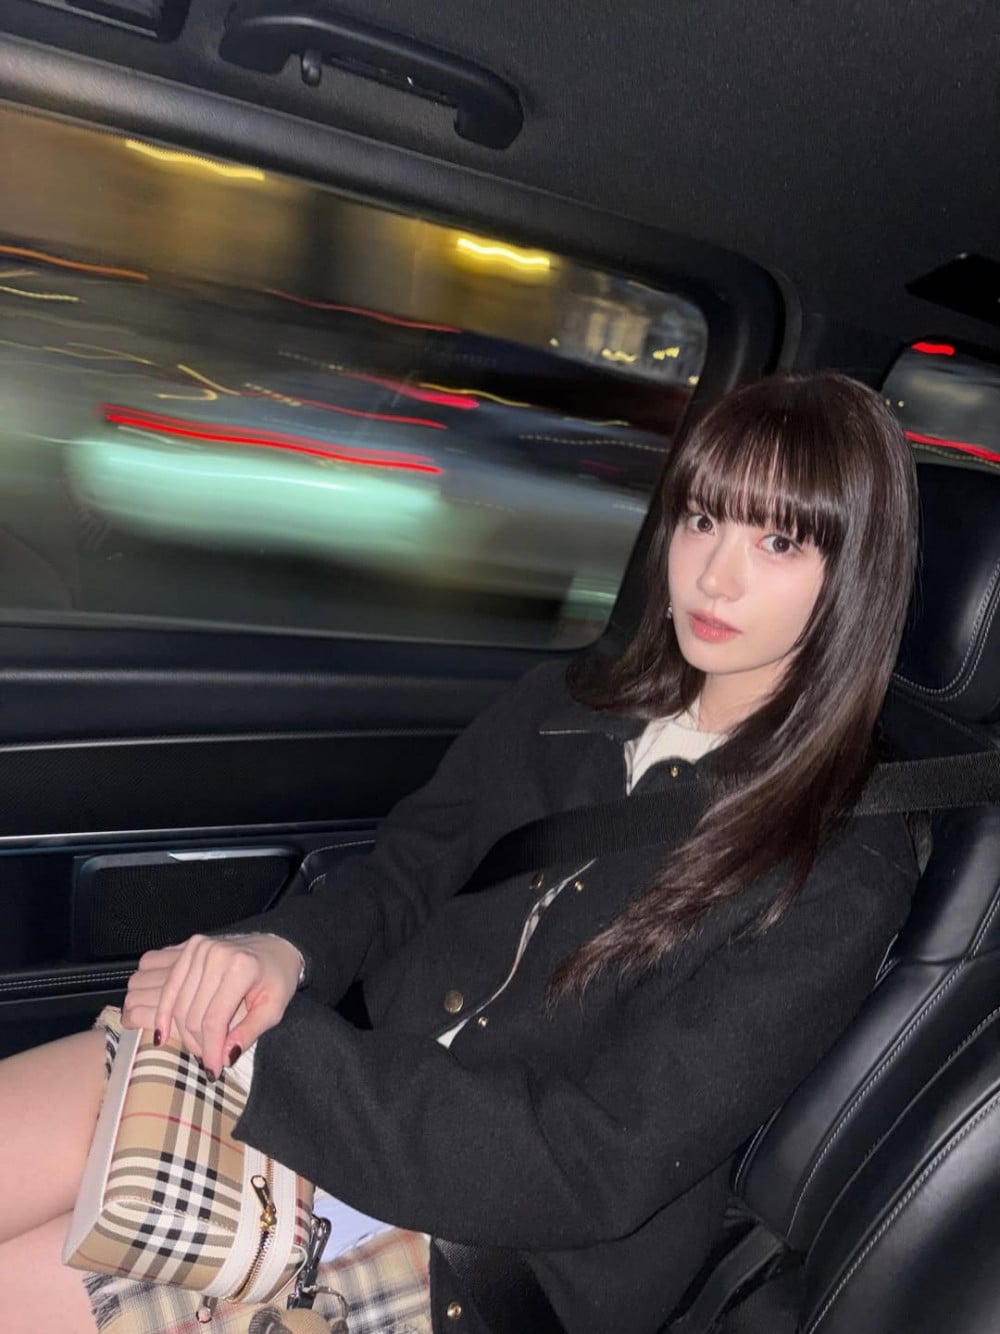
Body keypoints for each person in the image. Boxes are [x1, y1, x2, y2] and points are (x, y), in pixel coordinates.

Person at [0, 372, 923, 1334]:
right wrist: (286, 953)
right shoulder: (566, 705)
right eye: (702, 519)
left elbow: (595, 1163)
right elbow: (404, 873)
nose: (714, 577)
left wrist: (285, 1063)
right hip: (351, 1084)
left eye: (779, 542)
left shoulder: (838, 865)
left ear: (854, 573)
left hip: (488, 1250)